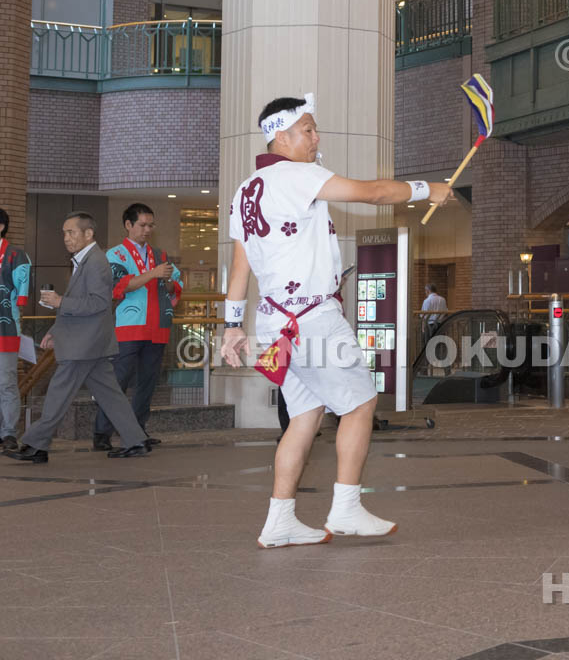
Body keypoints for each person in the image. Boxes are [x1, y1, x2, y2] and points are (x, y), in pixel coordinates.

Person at [217, 93, 453, 547]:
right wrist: (428, 190)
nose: (316, 137)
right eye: (308, 129)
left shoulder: (247, 190)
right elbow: (375, 192)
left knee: (304, 416)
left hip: (273, 321)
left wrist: (231, 324)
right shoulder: (298, 175)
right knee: (361, 403)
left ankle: (280, 520)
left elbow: (240, 264)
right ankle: (346, 509)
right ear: (281, 136)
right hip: (311, 319)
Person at [3, 213, 150, 464]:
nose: (66, 238)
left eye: (71, 232)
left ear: (88, 234)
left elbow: (99, 303)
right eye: (64, 233)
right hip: (91, 342)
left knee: (57, 394)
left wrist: (60, 301)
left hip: (84, 344)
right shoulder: (85, 260)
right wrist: (56, 329)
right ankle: (136, 440)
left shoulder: (96, 262)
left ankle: (36, 444)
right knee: (111, 395)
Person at [93, 204, 182, 451]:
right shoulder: (114, 254)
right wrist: (153, 274)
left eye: (150, 225)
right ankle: (102, 432)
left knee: (148, 382)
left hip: (157, 325)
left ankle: (138, 430)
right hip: (129, 326)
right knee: (117, 381)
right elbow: (120, 286)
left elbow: (177, 286)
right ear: (128, 225)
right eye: (142, 225)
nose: (147, 230)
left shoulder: (159, 254)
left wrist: (168, 281)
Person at [0, 208, 31, 452]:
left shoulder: (15, 254)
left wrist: (21, 299)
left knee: (6, 381)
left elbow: (22, 286)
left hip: (6, 327)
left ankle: (8, 433)